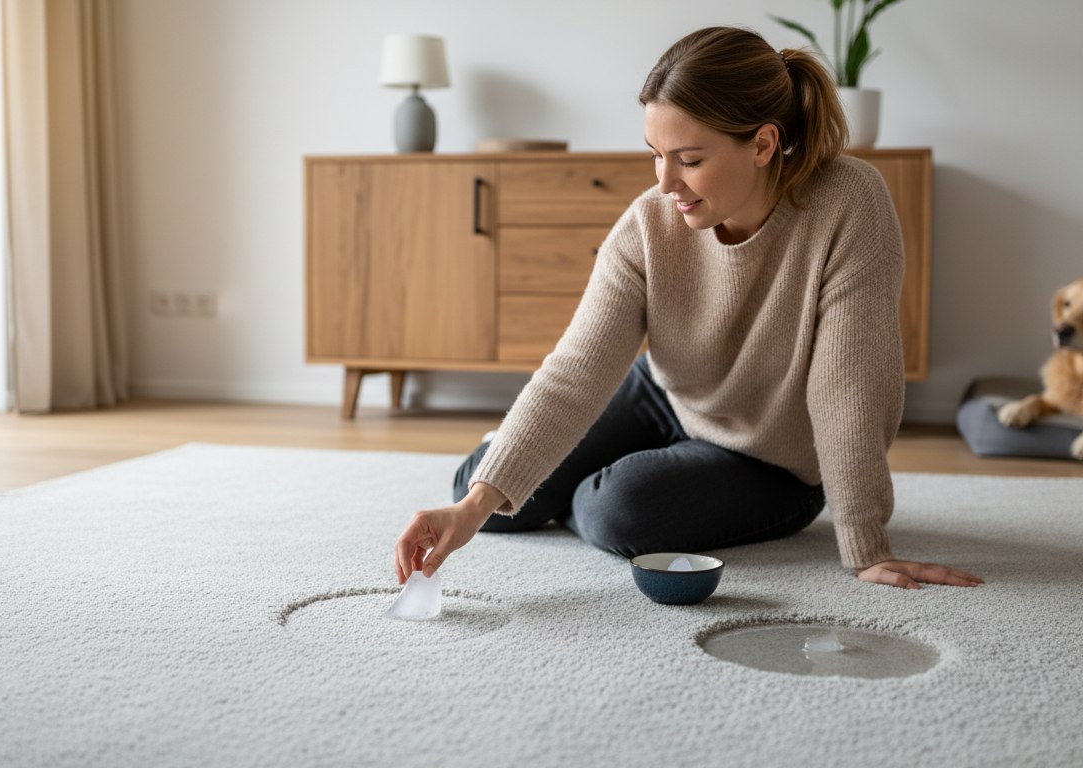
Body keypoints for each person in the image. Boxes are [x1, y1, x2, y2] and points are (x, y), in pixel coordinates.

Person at [393, 26, 982, 591]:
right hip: (666, 393)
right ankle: (576, 471)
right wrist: (472, 507)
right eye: (655, 154)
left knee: (615, 512)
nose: (666, 182)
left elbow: (848, 389)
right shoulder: (651, 223)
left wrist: (865, 546)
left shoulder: (849, 204)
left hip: (768, 457)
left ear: (762, 143)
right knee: (481, 491)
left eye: (689, 159)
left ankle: (601, 482)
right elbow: (576, 368)